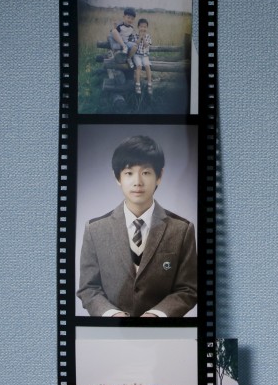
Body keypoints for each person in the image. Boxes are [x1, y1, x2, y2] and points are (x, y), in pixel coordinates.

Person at [77, 135, 197, 317]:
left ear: (160, 176)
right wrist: (112, 314)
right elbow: (88, 288)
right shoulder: (95, 230)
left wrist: (156, 314)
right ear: (117, 178)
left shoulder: (181, 229)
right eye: (129, 173)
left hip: (163, 336)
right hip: (111, 335)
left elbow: (188, 289)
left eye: (146, 172)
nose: (138, 182)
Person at [133, 17, 154, 95]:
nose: (143, 28)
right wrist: (140, 37)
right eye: (141, 27)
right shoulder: (135, 35)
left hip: (145, 55)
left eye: (145, 27)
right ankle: (138, 84)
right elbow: (135, 44)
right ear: (138, 27)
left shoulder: (148, 36)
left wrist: (144, 38)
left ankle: (149, 84)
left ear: (147, 28)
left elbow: (146, 45)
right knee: (139, 66)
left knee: (147, 66)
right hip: (137, 55)